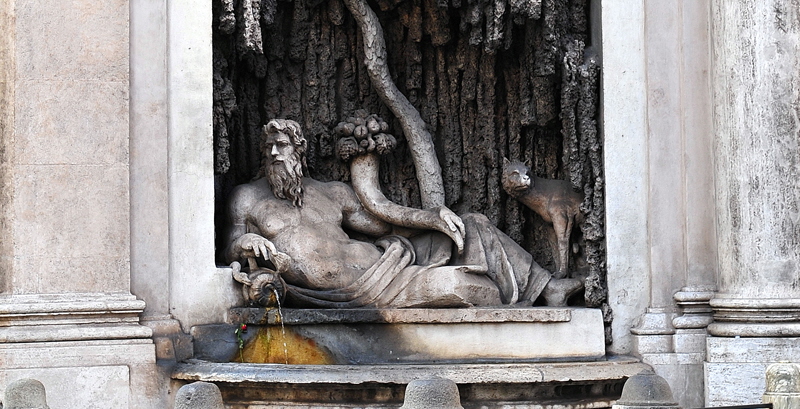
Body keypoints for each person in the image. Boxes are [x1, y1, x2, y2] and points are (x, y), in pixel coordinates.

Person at [225, 118, 583, 309]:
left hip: (388, 260)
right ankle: (519, 299)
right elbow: (229, 252)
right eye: (268, 146)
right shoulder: (247, 198)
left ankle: (548, 286)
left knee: (474, 222)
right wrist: (246, 242)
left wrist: (432, 218)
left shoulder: (330, 192)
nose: (274, 153)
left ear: (299, 151)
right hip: (360, 293)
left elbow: (380, 221)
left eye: (282, 145)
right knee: (465, 286)